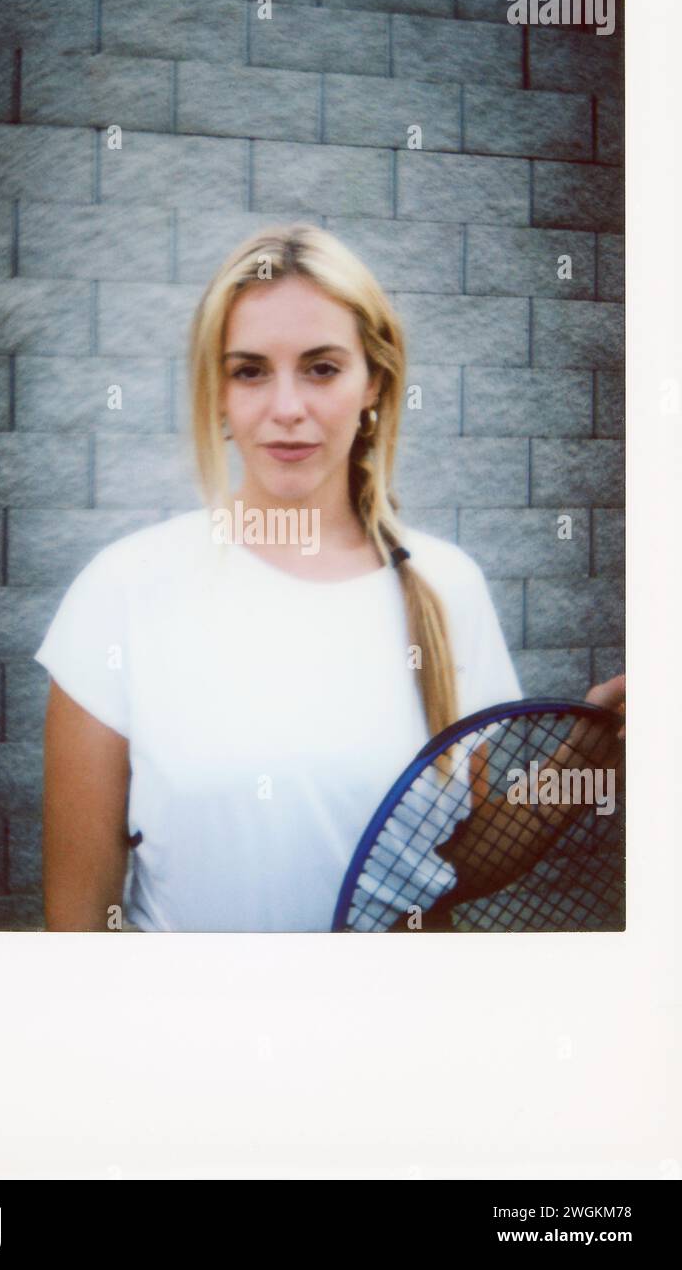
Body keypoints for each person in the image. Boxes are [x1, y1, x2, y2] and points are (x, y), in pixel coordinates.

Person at [34, 223, 625, 932]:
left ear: (373, 380)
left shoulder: (447, 587)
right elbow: (78, 923)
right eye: (250, 369)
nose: (287, 408)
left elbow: (446, 863)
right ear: (217, 392)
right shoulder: (122, 591)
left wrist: (589, 759)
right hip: (190, 1035)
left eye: (321, 368)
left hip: (387, 1034)